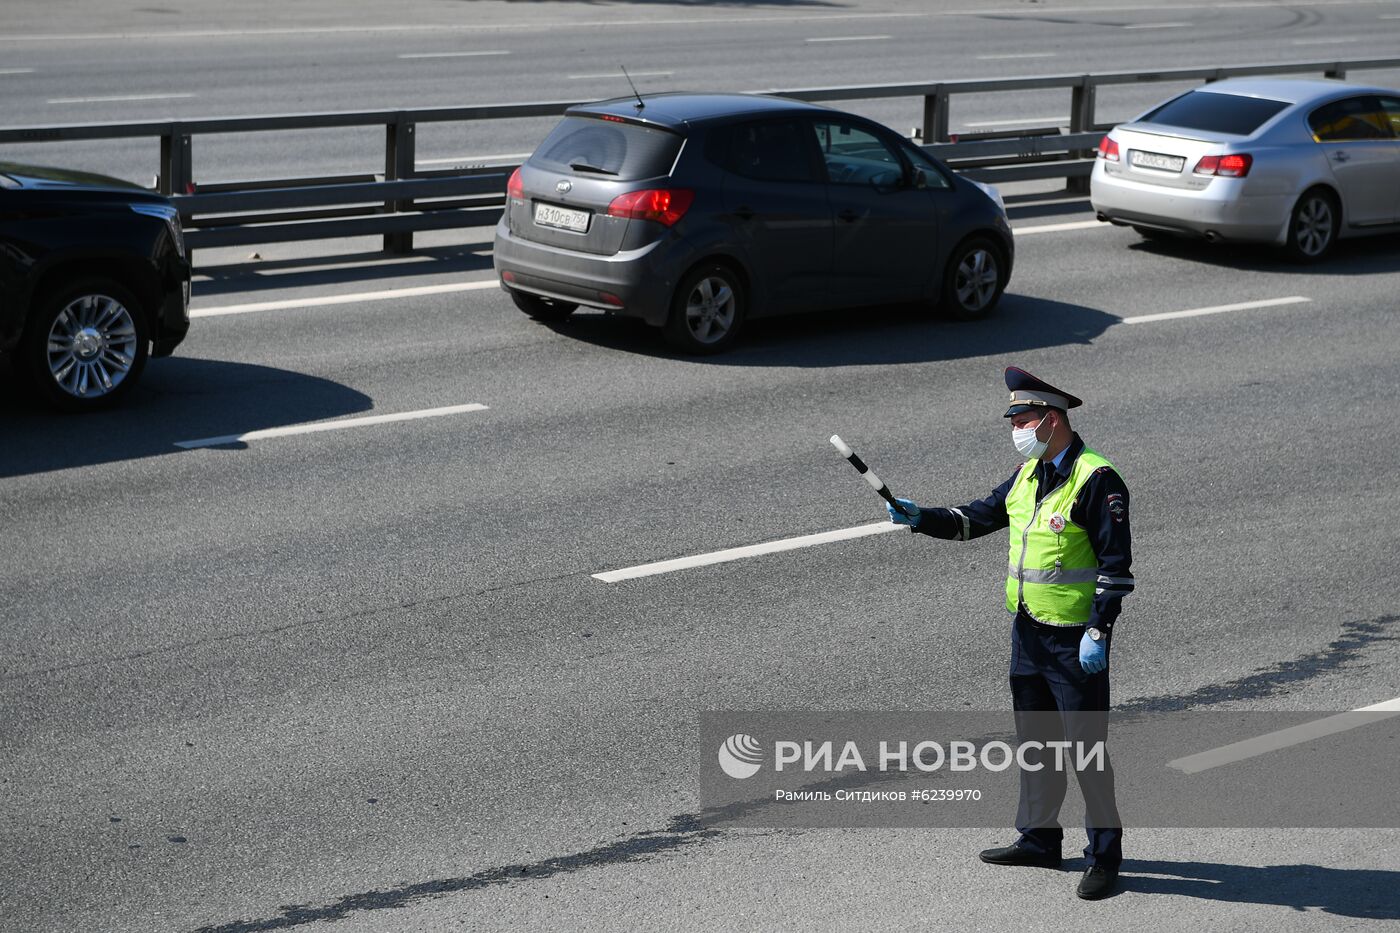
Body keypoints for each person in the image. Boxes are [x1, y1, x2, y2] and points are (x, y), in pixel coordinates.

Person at [886, 366, 1134, 901]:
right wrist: (919, 517)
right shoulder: (1028, 476)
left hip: (1075, 641)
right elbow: (974, 518)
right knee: (1037, 744)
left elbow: (1117, 569)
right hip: (1029, 633)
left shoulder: (1097, 480)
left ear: (1049, 419)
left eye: (1021, 419)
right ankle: (1040, 840)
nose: (1015, 429)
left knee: (1086, 751)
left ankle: (1105, 857)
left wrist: (1100, 631)